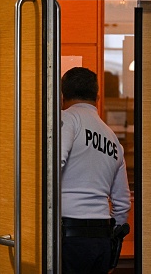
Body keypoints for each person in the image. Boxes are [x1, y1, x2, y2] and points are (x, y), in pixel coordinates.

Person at [60, 67, 131, 274]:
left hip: (68, 236)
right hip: (101, 240)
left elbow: (53, 168)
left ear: (62, 95)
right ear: (97, 97)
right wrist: (112, 246)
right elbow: (123, 203)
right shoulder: (112, 139)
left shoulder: (67, 120)